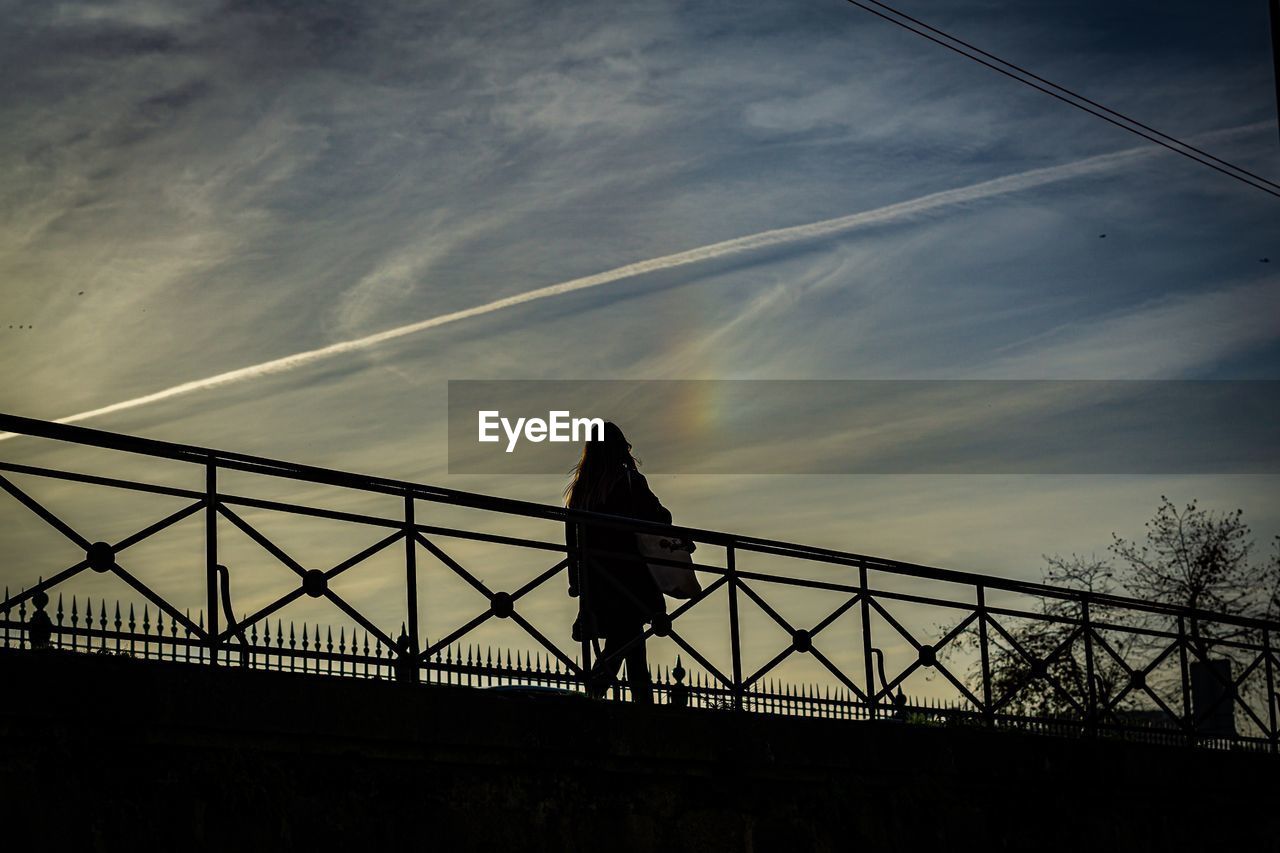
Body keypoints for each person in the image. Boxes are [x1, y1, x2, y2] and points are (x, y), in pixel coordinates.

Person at [564, 421, 669, 703]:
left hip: (597, 579)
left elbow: (571, 540)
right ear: (620, 448)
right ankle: (603, 696)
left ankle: (614, 697)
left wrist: (576, 582)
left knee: (628, 639)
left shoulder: (580, 489)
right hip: (629, 576)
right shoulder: (629, 482)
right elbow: (660, 518)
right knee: (628, 638)